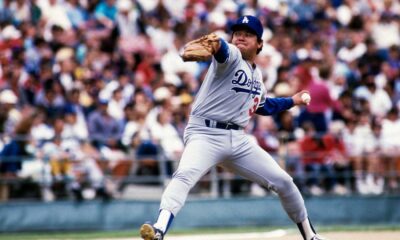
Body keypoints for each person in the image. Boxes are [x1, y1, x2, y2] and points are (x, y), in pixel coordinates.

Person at [139, 16, 325, 240]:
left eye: (247, 34)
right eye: (237, 33)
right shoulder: (232, 57)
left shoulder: (257, 76)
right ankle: (159, 229)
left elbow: (264, 106)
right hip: (204, 134)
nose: (241, 37)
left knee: (284, 181)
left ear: (259, 44)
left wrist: (292, 101)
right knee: (185, 174)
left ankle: (310, 235)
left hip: (238, 139)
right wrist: (216, 44)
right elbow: (221, 48)